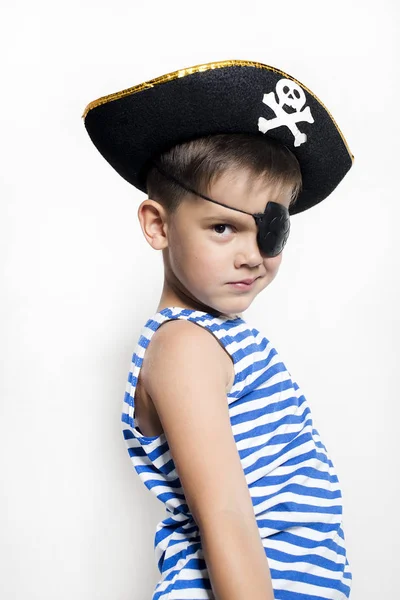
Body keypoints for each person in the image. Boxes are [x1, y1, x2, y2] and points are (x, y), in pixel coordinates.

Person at [82, 60, 354, 600]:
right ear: (158, 225)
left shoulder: (219, 339)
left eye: (270, 231)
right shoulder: (185, 346)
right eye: (223, 227)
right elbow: (226, 515)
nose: (252, 256)